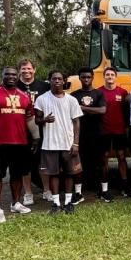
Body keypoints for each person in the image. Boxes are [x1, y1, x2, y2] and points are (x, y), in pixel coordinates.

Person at [0, 66, 38, 223]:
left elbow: (29, 118)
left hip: (20, 142)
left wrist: (36, 137)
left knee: (17, 174)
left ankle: (15, 203)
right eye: (7, 74)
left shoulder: (24, 96)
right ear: (2, 76)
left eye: (13, 75)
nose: (11, 77)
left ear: (17, 77)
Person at [34, 70, 83, 214]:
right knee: (53, 174)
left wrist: (76, 143)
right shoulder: (42, 99)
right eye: (54, 78)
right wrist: (44, 120)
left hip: (68, 143)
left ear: (64, 81)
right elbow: (37, 120)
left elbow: (76, 122)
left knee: (69, 173)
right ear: (49, 80)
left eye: (59, 79)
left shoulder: (71, 100)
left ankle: (68, 202)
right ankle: (55, 202)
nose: (56, 81)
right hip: (50, 144)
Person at [17, 58, 51, 205]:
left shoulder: (44, 86)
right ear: (19, 71)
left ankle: (47, 190)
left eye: (29, 68)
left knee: (43, 160)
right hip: (21, 130)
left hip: (42, 127)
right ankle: (28, 193)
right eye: (23, 69)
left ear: (34, 70)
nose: (26, 71)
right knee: (25, 162)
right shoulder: (14, 86)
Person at [70, 67, 107, 200]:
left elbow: (102, 110)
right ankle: (78, 193)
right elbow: (72, 115)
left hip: (98, 133)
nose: (86, 79)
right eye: (83, 77)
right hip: (80, 134)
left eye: (88, 77)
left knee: (102, 162)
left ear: (92, 77)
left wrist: (82, 108)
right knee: (78, 163)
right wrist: (92, 110)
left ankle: (104, 190)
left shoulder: (99, 94)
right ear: (79, 78)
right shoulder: (73, 95)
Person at [97, 67, 130, 200]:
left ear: (116, 77)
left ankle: (124, 186)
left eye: (112, 74)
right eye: (107, 75)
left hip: (119, 130)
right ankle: (104, 189)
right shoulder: (98, 92)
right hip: (104, 130)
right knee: (104, 158)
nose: (110, 77)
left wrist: (126, 128)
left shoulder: (123, 92)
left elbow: (126, 112)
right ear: (104, 77)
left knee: (121, 157)